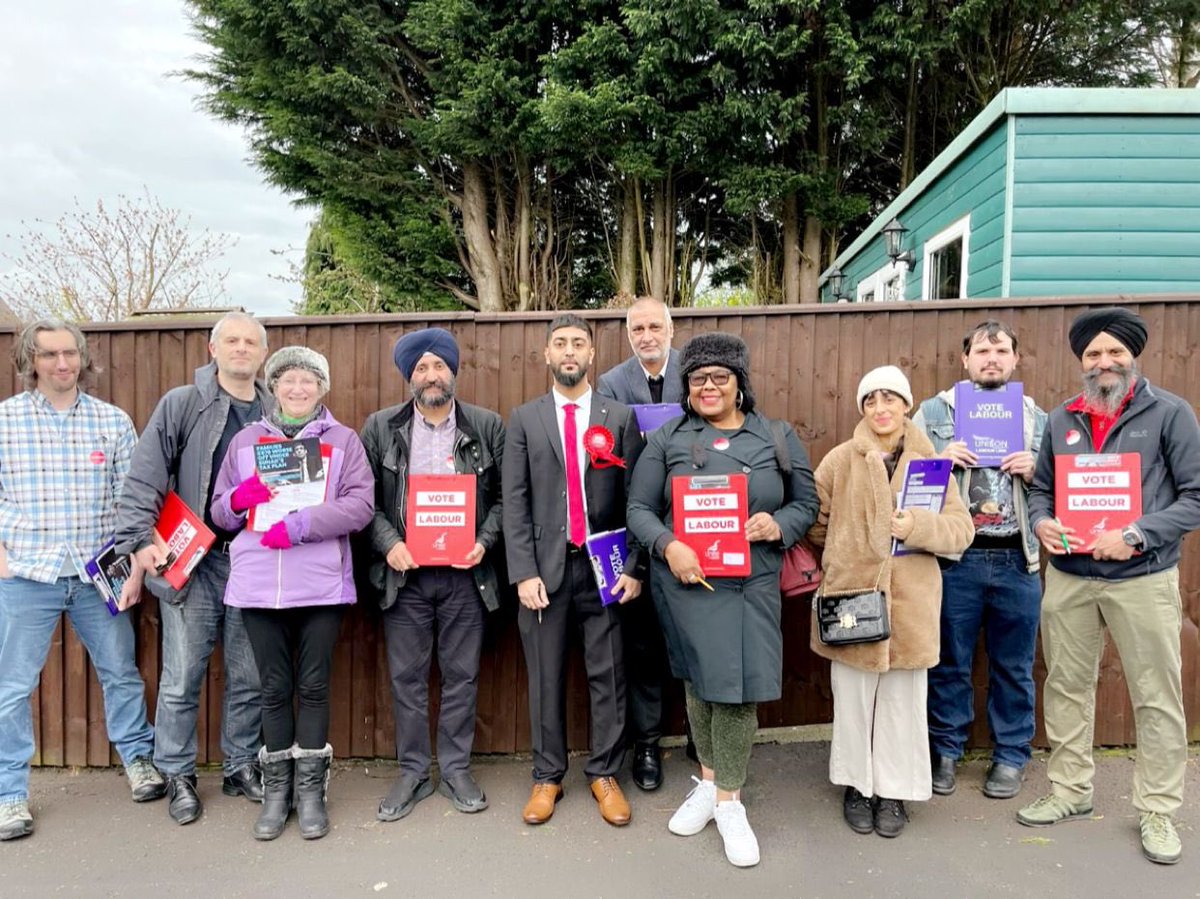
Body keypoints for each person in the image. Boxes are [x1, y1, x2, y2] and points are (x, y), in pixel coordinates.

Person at [627, 331, 819, 867]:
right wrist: (670, 546)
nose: (707, 387)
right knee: (700, 683)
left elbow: (807, 503)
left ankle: (730, 801)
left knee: (736, 689)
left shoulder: (775, 436)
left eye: (719, 378)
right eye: (697, 379)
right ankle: (711, 785)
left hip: (751, 583)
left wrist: (776, 523)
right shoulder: (666, 439)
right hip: (686, 582)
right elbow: (638, 510)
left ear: (739, 384)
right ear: (686, 386)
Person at [1020, 307, 1200, 866]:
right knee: (1067, 687)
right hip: (1071, 578)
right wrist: (1042, 520)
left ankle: (1157, 809)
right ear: (1082, 361)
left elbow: (1194, 496)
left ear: (1132, 356)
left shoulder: (1170, 412)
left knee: (1156, 695)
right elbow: (1041, 490)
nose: (1104, 362)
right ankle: (1071, 791)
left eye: (1115, 352)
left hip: (1142, 578)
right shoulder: (1061, 419)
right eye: (1094, 354)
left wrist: (1138, 534)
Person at [0, 319, 165, 842]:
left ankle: (139, 760)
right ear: (31, 361)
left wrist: (136, 565)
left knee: (120, 672)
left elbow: (132, 499)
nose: (62, 363)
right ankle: (9, 792)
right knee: (12, 688)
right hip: (28, 572)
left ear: (83, 358)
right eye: (50, 355)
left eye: (70, 353)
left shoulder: (111, 422)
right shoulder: (5, 422)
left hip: (101, 573)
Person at [210, 346, 374, 841]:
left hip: (319, 584)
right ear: (273, 387)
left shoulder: (343, 440)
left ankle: (310, 792)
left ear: (323, 389)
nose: (298, 389)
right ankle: (277, 790)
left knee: (315, 686)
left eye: (308, 381)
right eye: (288, 381)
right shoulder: (245, 441)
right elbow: (219, 512)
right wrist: (238, 501)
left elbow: (361, 506)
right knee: (273, 688)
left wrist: (301, 524)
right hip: (258, 585)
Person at [114, 311, 270, 825]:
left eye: (251, 341)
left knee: (248, 675)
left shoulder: (274, 412)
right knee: (183, 676)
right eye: (232, 340)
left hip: (252, 561)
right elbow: (145, 476)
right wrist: (138, 539)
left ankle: (240, 764)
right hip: (194, 564)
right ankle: (178, 772)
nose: (241, 348)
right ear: (213, 348)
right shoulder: (182, 404)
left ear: (263, 354)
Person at [807, 365, 973, 840]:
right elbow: (815, 522)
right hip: (851, 598)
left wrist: (917, 527)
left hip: (912, 604)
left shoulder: (933, 464)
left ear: (906, 404)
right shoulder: (841, 460)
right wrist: (846, 551)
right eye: (871, 400)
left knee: (903, 705)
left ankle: (894, 792)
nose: (881, 409)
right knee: (854, 702)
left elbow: (962, 531)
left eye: (890, 398)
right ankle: (857, 787)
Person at [503, 313, 646, 828]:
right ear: (546, 354)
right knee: (544, 678)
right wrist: (522, 571)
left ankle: (605, 773)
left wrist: (633, 565)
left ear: (592, 355)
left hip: (604, 569)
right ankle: (548, 776)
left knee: (608, 674)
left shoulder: (620, 417)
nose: (569, 351)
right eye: (560, 343)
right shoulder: (523, 418)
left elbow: (637, 500)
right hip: (544, 570)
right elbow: (514, 500)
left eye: (578, 343)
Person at [361, 328, 505, 821]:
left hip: (467, 575)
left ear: (453, 371)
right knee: (407, 677)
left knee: (463, 675)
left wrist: (484, 541)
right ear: (409, 378)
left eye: (438, 366)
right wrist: (390, 544)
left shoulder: (486, 427)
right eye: (420, 368)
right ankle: (414, 772)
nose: (430, 375)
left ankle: (458, 769)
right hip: (406, 576)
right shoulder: (381, 427)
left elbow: (508, 500)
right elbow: (366, 502)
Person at [912, 321, 1047, 799]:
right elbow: (906, 484)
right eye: (983, 350)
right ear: (965, 359)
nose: (992, 358)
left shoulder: (1037, 419)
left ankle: (1010, 756)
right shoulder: (933, 413)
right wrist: (939, 460)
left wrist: (1037, 468)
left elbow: (1059, 492)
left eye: (1002, 350)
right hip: (956, 560)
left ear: (1016, 360)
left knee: (1014, 666)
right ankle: (945, 751)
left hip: (1018, 559)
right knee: (948, 662)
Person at [597, 296, 685, 789]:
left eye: (655, 326)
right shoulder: (612, 383)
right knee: (644, 645)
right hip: (638, 524)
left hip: (693, 523)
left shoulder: (697, 371)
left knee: (698, 640)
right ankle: (647, 743)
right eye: (637, 328)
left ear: (671, 329)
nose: (646, 335)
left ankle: (702, 735)